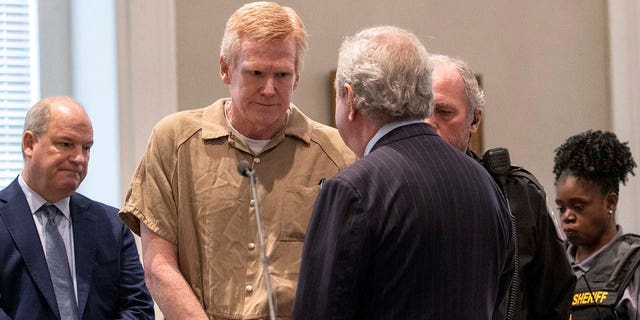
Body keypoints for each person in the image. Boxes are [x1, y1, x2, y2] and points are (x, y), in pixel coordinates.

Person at [119, 2, 355, 319]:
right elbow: (158, 265)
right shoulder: (174, 142)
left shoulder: (338, 155)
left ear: (297, 77)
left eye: (282, 75)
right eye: (255, 72)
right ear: (225, 68)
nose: (269, 89)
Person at [292, 26, 514, 319]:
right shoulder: (484, 182)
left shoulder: (353, 189)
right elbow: (499, 298)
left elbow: (321, 312)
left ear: (350, 99)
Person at [424, 54, 576, 320]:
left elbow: (555, 299)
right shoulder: (387, 193)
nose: (429, 124)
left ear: (474, 119)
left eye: (444, 112)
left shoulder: (518, 195)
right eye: (420, 112)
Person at [0, 96, 154, 320]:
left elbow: (138, 308)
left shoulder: (111, 226)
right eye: (65, 144)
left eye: (86, 148)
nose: (79, 158)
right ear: (29, 144)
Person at [554, 130, 639, 320]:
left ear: (610, 202)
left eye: (578, 207)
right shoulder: (554, 265)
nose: (567, 217)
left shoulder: (634, 267)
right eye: (562, 208)